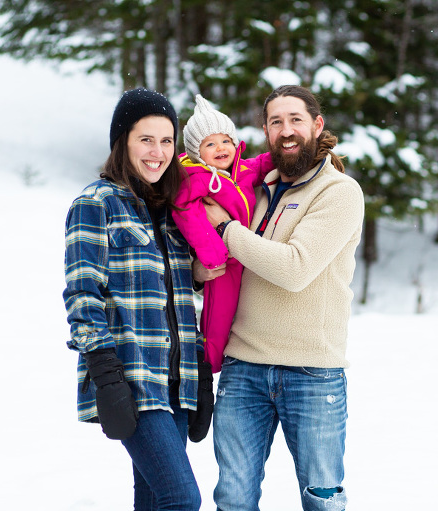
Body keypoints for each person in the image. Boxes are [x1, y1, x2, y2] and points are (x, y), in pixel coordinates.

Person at [193, 85, 365, 511]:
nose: (286, 130)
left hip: (311, 372)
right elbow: (230, 263)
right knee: (233, 497)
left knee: (320, 499)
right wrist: (200, 272)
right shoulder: (252, 188)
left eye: (295, 120)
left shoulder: (338, 192)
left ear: (316, 125)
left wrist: (225, 230)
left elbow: (294, 268)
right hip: (243, 368)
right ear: (266, 132)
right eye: (275, 122)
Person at [63, 87, 213, 510]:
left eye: (166, 140)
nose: (158, 151)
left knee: (153, 500)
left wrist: (199, 372)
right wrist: (107, 375)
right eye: (145, 139)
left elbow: (183, 298)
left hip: (176, 383)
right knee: (181, 499)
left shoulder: (175, 213)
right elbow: (81, 293)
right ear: (122, 141)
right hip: (131, 380)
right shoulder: (96, 203)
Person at [173, 94, 273, 374]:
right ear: (196, 151)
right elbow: (186, 212)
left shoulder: (242, 170)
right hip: (223, 260)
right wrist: (213, 253)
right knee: (219, 312)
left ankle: (243, 354)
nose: (221, 148)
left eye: (226, 140)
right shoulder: (197, 178)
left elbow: (264, 163)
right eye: (210, 143)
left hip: (248, 252)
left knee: (247, 312)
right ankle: (209, 365)